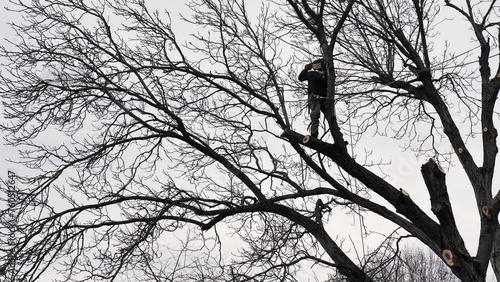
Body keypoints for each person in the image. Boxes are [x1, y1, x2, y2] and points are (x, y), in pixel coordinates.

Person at [298, 59, 327, 139]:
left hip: (324, 97)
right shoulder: (312, 74)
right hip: (314, 96)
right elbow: (301, 78)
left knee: (331, 117)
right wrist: (306, 69)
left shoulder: (327, 75)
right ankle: (314, 134)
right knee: (315, 113)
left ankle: (339, 137)